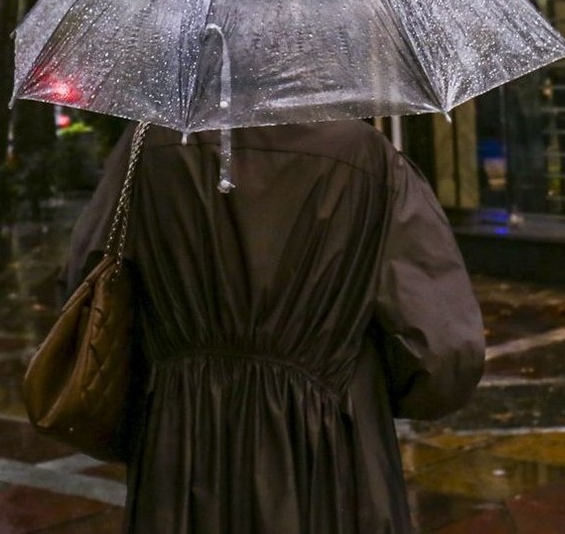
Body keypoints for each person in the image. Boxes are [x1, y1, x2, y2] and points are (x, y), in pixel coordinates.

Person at [65, 120, 486, 533]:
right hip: (327, 440)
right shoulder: (367, 157)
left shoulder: (147, 147)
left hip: (181, 437)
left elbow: (87, 283)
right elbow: (442, 353)